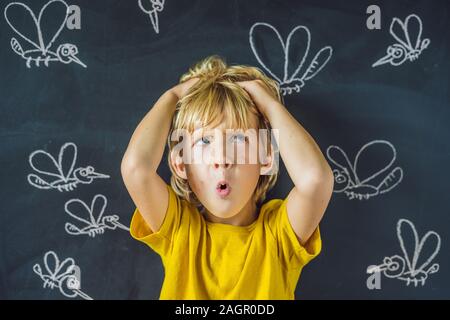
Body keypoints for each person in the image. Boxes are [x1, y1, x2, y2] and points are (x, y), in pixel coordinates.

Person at [121, 55, 334, 299]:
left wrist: (270, 105)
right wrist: (172, 97)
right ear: (180, 163)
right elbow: (136, 169)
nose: (221, 158)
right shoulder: (180, 229)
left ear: (266, 156)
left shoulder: (278, 236)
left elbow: (316, 180)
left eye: (238, 139)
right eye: (204, 140)